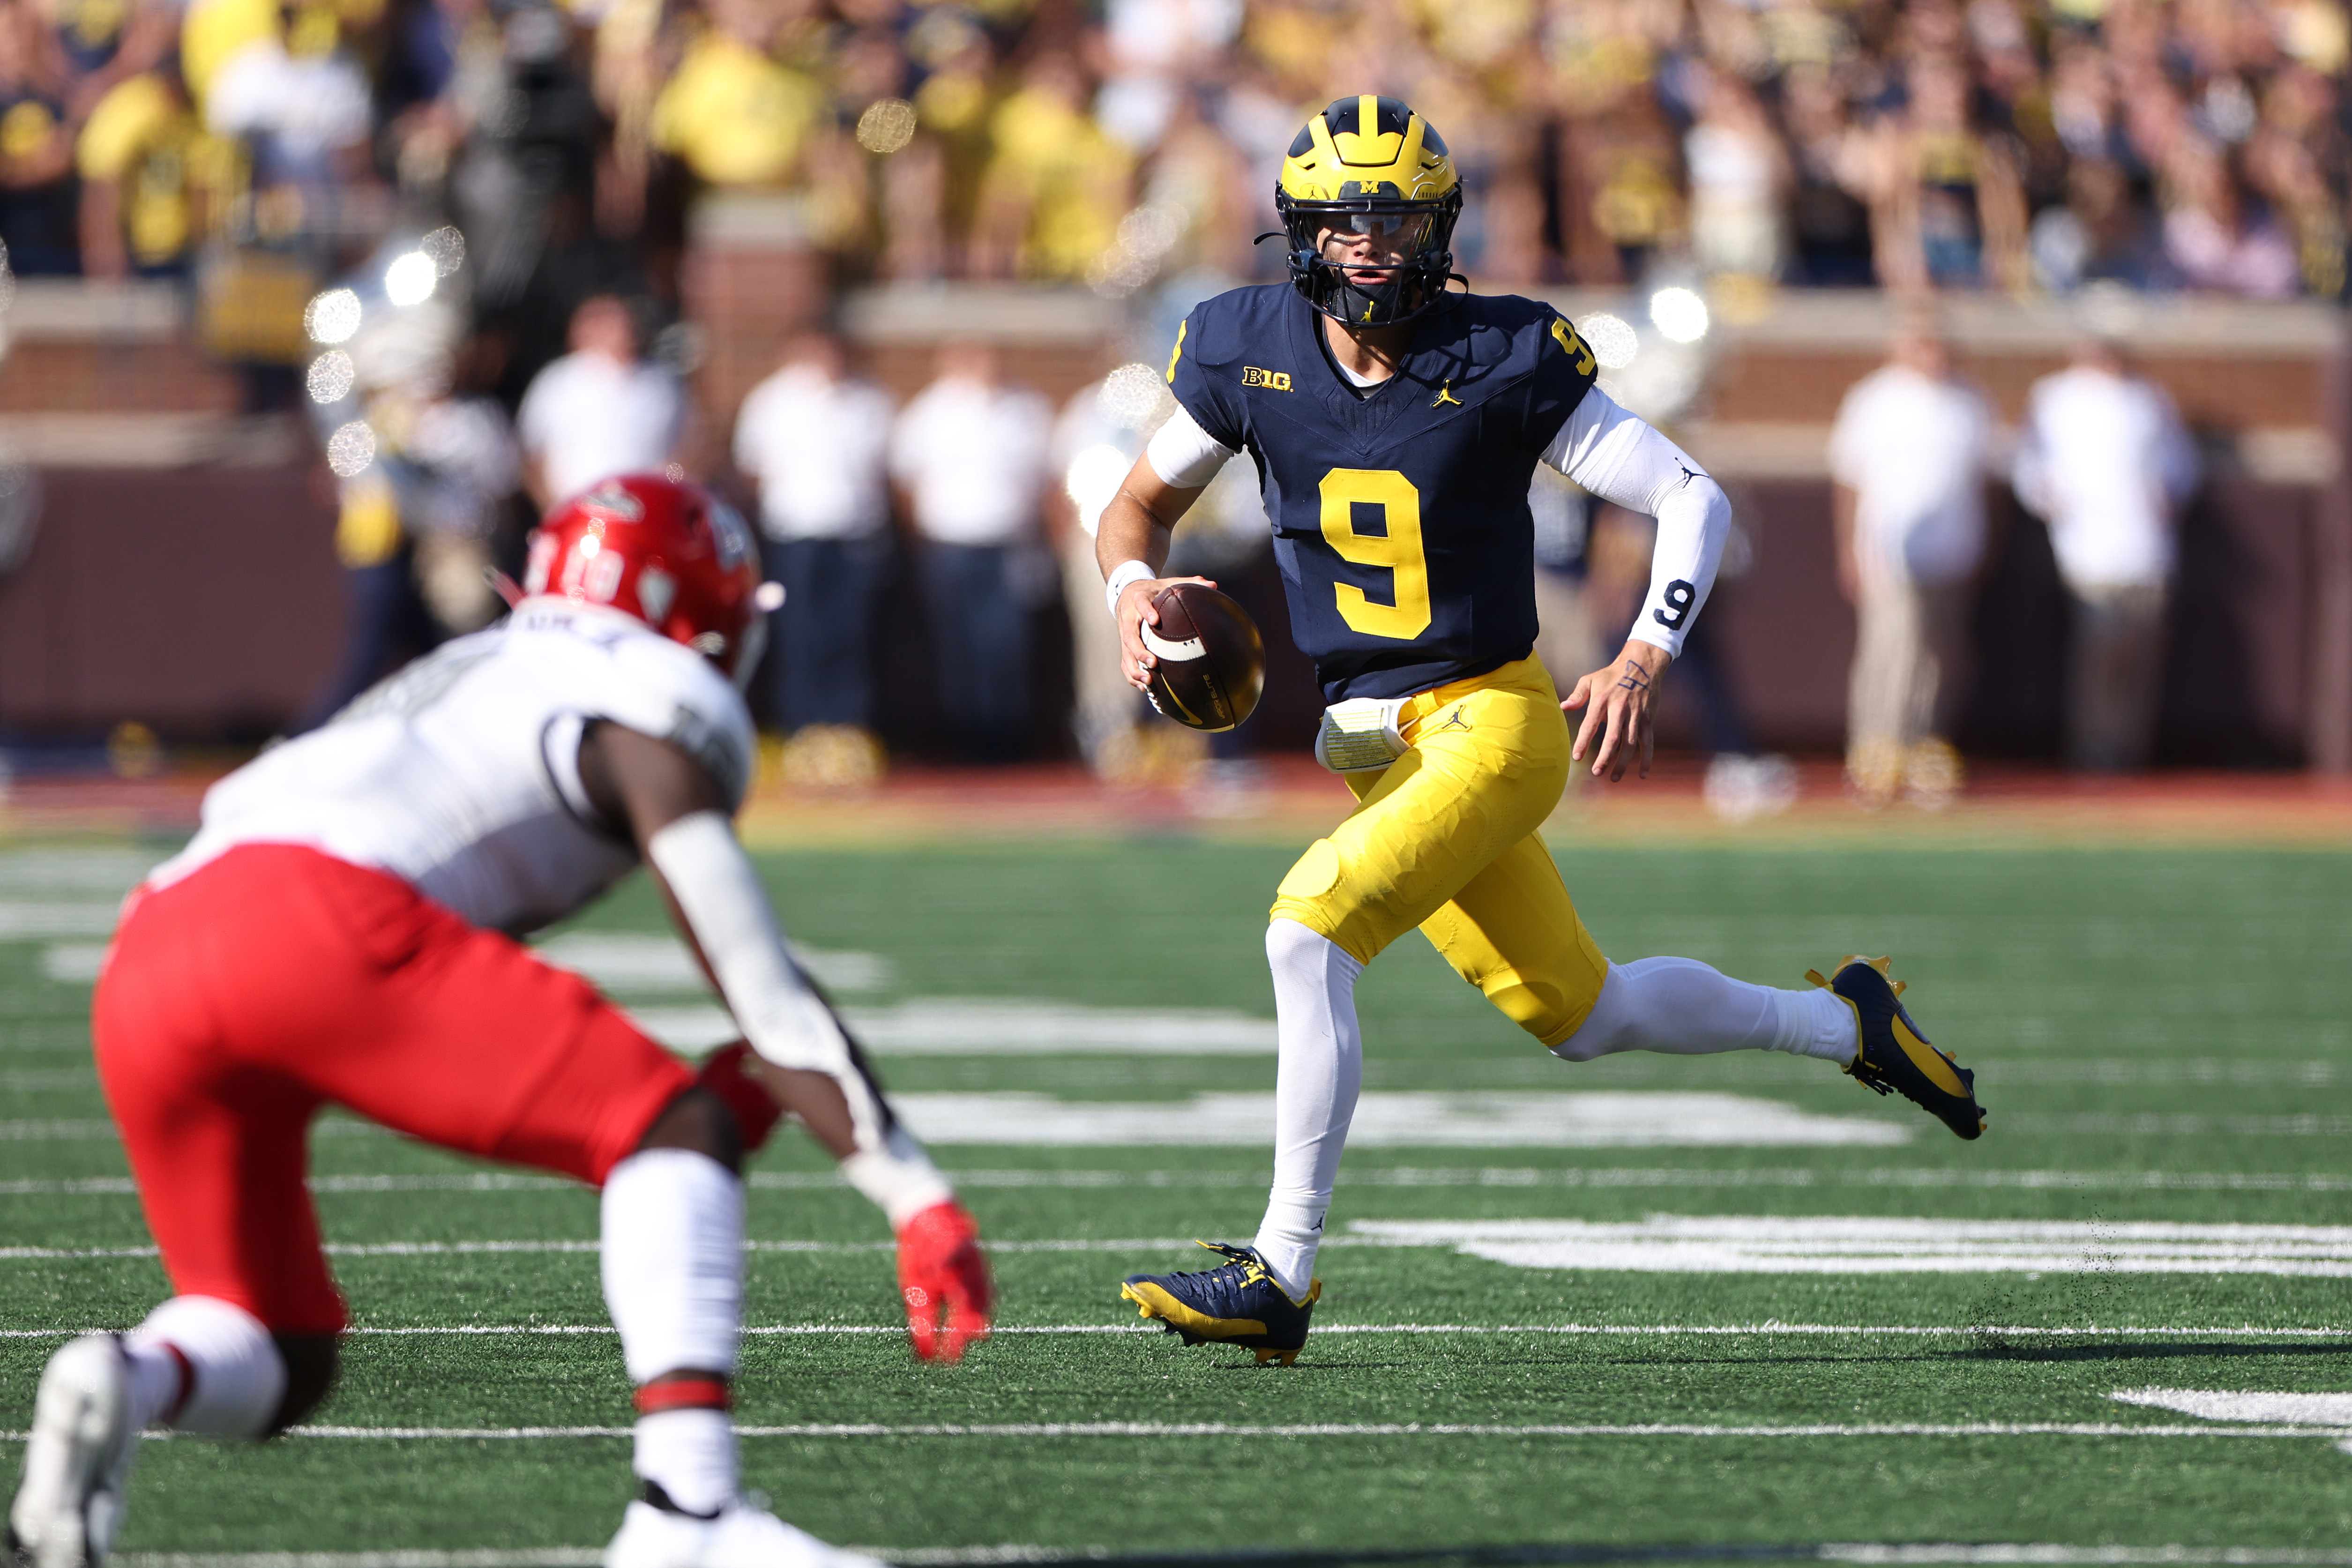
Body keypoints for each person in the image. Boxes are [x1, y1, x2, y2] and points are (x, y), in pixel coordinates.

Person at [1098, 97, 1986, 1366]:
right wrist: (1134, 597)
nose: (1364, 239)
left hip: (1490, 721)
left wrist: (1642, 651)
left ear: (1438, 224)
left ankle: (1279, 1269)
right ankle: (1852, 1025)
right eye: (1341, 214)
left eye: (1393, 212)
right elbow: (1134, 510)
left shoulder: (1504, 353)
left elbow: (1689, 496)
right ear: (1296, 224)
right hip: (1369, 748)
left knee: (1306, 931)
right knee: (1586, 1013)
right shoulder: (1241, 345)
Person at [7, 476, 992, 1568]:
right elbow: (758, 984)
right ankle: (690, 1514)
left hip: (156, 942)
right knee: (669, 1131)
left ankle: (125, 1375)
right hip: (312, 922)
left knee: (277, 1348)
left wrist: (766, 1076)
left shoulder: (474, 662)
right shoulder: (649, 688)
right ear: (689, 608)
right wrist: (914, 1191)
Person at [1828, 315, 1995, 806]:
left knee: (1939, 658)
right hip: (1889, 552)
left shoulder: (1969, 402)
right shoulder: (1873, 399)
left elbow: (1983, 482)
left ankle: (1924, 751)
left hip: (1953, 552)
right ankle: (1875, 755)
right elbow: (1849, 479)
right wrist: (1848, 547)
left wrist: (1985, 542)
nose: (1933, 354)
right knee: (1892, 653)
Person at [2012, 337, 2201, 771]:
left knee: (2141, 652)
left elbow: (2179, 466)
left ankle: (2129, 749)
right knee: (2098, 648)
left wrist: (2167, 497)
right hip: (2087, 550)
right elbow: (2026, 464)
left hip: (2147, 551)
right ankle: (2092, 748)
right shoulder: (2054, 397)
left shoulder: (2148, 398)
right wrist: (2049, 499)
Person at [732, 331, 896, 781]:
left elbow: (883, 471)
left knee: (848, 636)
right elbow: (751, 469)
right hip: (795, 531)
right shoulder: (771, 401)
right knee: (800, 635)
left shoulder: (869, 401)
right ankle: (802, 732)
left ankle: (846, 732)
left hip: (852, 532)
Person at [889, 340, 1054, 764]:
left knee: (1006, 644)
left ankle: (1006, 741)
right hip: (949, 544)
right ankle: (967, 743)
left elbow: (1046, 482)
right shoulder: (929, 413)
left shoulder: (1025, 410)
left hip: (1008, 544)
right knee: (957, 647)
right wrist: (923, 537)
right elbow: (906, 484)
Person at [517, 294, 690, 510]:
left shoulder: (661, 385)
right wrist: (551, 506)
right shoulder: (558, 382)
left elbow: (684, 452)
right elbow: (531, 454)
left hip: (642, 512)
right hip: (574, 511)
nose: (620, 331)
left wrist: (669, 487)